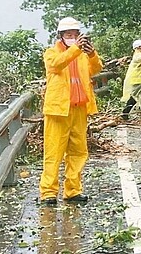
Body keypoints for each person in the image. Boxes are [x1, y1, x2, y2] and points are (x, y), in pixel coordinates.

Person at [39, 17, 103, 205]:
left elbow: (96, 69)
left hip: (79, 110)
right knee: (53, 153)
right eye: (69, 35)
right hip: (58, 111)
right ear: (60, 36)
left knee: (78, 152)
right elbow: (55, 65)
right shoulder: (51, 53)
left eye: (76, 35)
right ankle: (48, 193)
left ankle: (73, 191)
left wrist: (92, 54)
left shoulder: (82, 55)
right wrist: (76, 49)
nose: (73, 38)